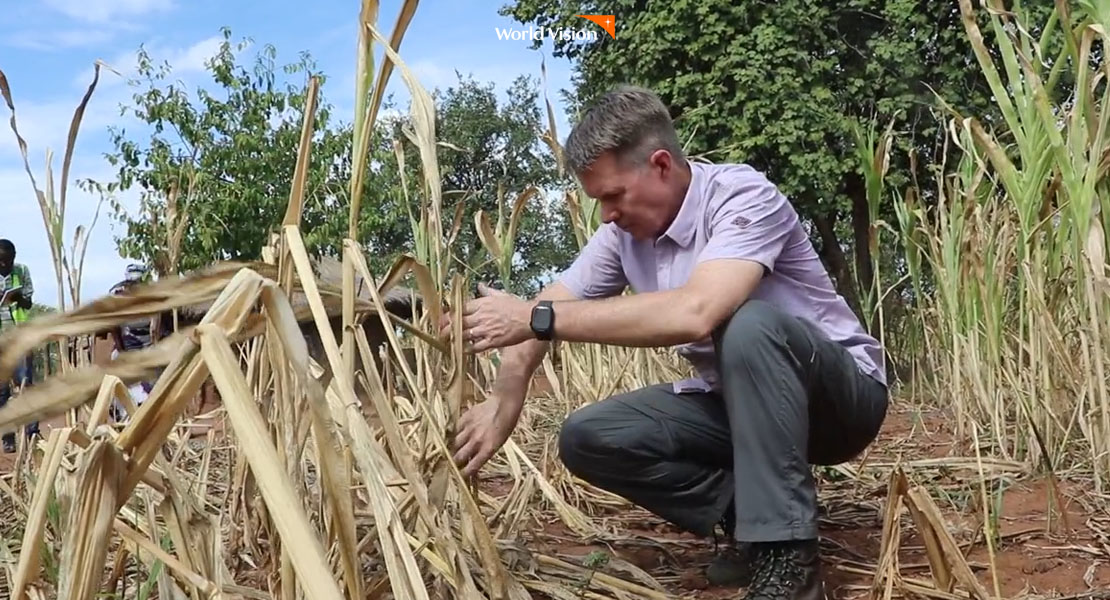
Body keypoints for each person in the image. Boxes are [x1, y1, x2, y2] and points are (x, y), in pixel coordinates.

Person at [440, 86, 889, 600]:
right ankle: (752, 519)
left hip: (840, 402)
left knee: (749, 325)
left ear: (659, 164)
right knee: (590, 434)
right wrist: (505, 398)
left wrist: (536, 317)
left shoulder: (742, 195)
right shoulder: (622, 237)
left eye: (613, 196)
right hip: (742, 411)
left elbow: (695, 313)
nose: (606, 214)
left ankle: (787, 563)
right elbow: (546, 306)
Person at [0, 238, 39, 452]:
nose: (5, 265)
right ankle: (8, 438)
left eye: (8, 261)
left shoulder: (22, 271)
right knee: (2, 392)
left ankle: (32, 433)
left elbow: (28, 303)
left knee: (26, 385)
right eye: (1, 262)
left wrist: (15, 298)